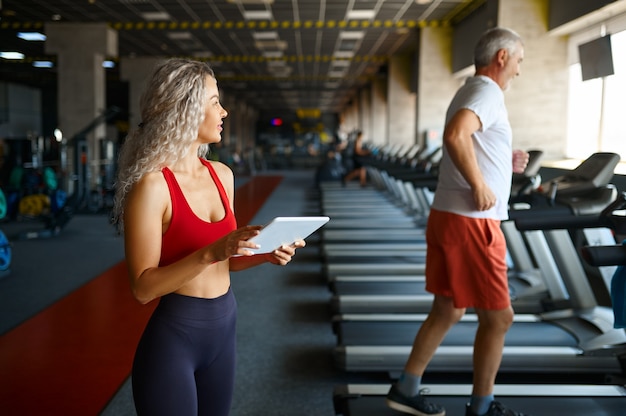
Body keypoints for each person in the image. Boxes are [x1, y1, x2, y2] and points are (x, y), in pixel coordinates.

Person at [111, 58, 305, 416]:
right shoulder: (152, 187)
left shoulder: (222, 175)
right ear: (184, 108)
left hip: (224, 329)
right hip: (175, 340)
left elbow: (223, 263)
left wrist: (262, 252)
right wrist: (212, 251)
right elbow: (142, 288)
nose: (225, 111)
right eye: (215, 100)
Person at [385, 27, 530, 416]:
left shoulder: (472, 90)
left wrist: (504, 160)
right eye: (518, 60)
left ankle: (406, 386)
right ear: (501, 57)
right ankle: (482, 407)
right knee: (499, 318)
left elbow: (469, 139)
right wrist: (481, 184)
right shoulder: (486, 91)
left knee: (448, 309)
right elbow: (455, 135)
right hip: (472, 221)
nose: (518, 70)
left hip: (452, 216)